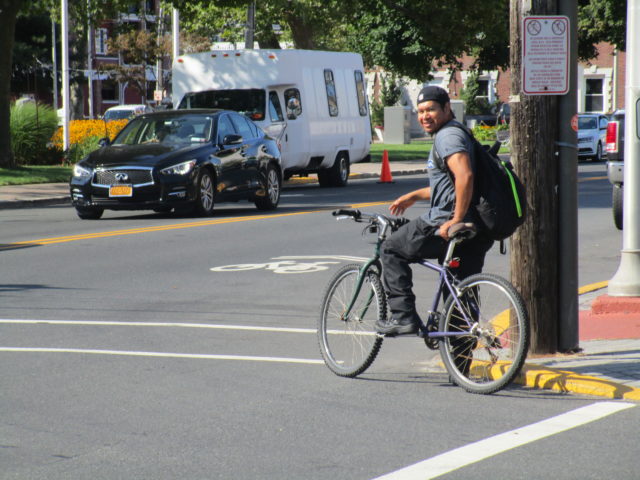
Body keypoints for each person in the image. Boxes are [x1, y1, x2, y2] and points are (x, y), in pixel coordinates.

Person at [377, 86, 493, 336]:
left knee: (390, 249)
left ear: (447, 108)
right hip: (478, 228)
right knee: (460, 292)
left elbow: (465, 176)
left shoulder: (447, 137)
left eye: (430, 109)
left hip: (446, 222)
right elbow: (452, 185)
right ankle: (461, 370)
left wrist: (456, 220)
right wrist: (415, 195)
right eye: (420, 111)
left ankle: (403, 317)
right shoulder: (460, 134)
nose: (424, 116)